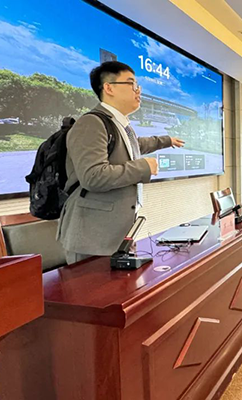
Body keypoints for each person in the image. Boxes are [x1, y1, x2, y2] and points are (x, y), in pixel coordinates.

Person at [57, 61, 185, 264]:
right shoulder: (91, 123)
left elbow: (136, 145)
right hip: (93, 239)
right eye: (132, 84)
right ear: (109, 88)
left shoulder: (119, 125)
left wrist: (166, 140)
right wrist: (144, 167)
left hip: (117, 236)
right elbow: (93, 176)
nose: (138, 91)